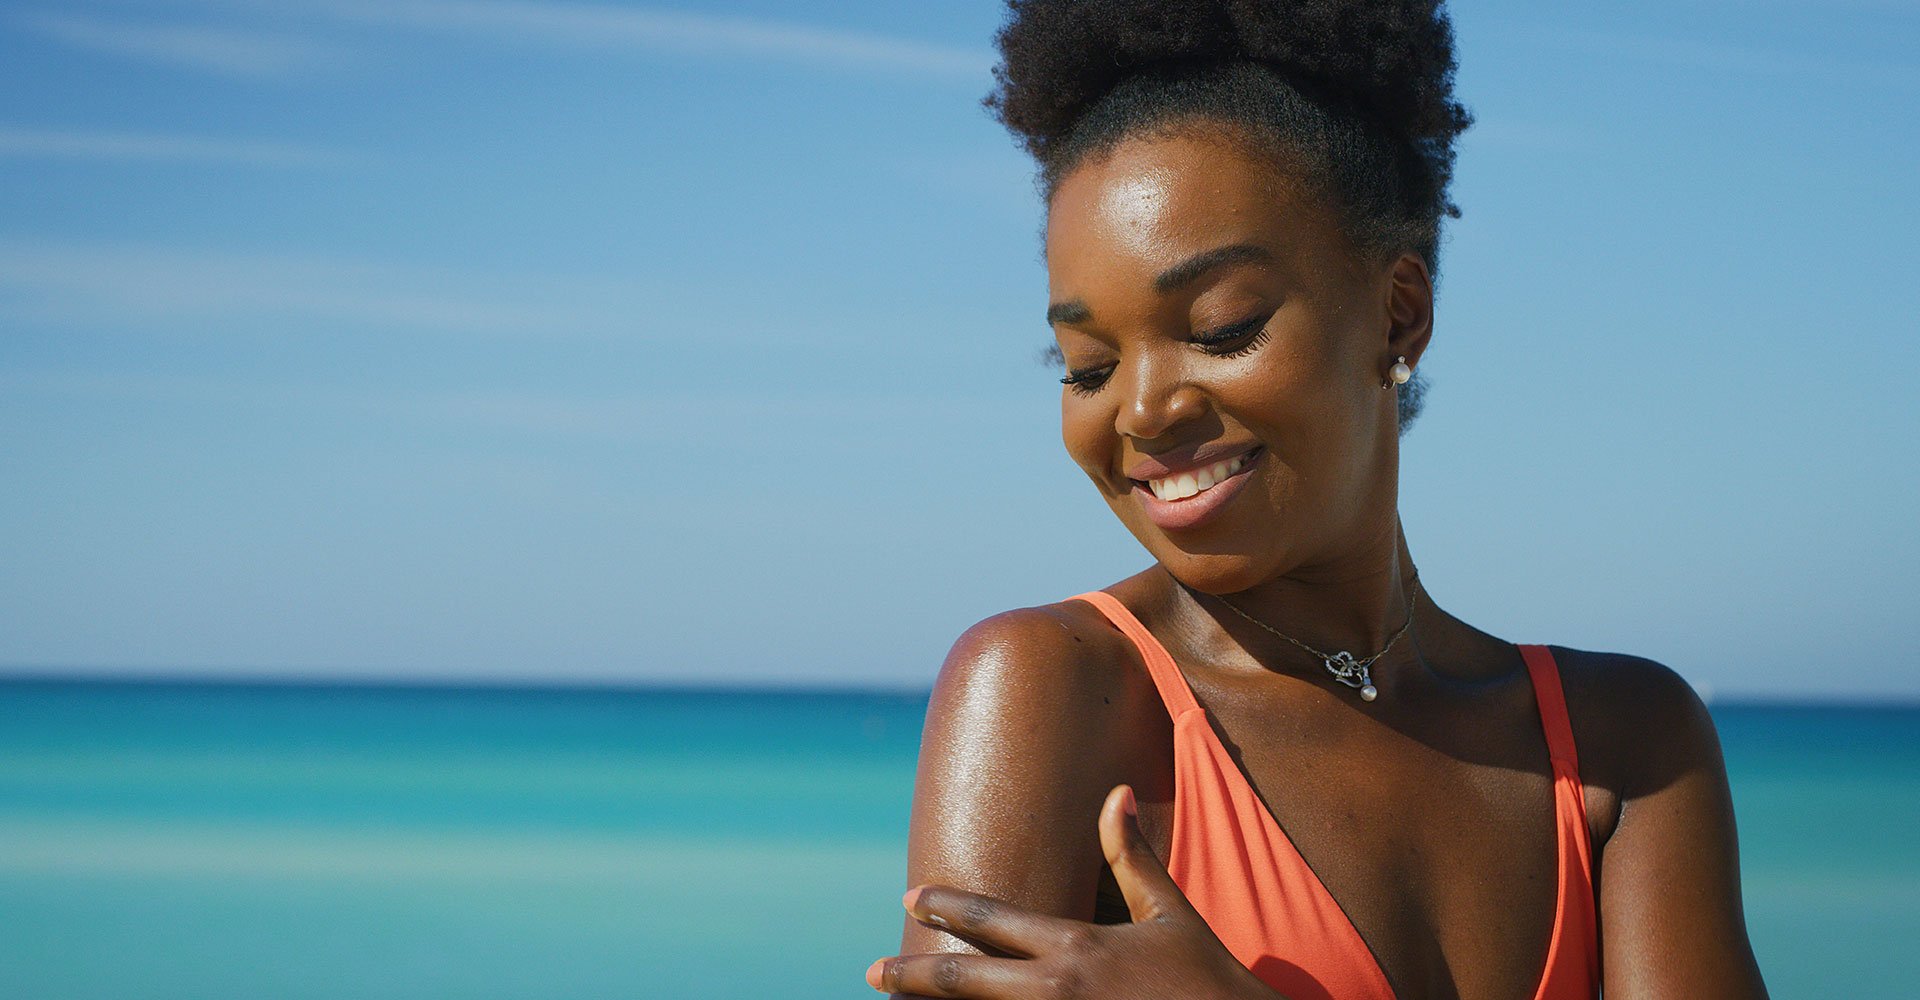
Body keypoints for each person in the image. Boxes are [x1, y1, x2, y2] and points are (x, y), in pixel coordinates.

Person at [865, 2, 1770, 998]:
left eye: (1221, 326)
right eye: (1086, 365)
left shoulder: (1628, 745)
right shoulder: (1059, 690)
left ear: (1399, 312)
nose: (1143, 411)